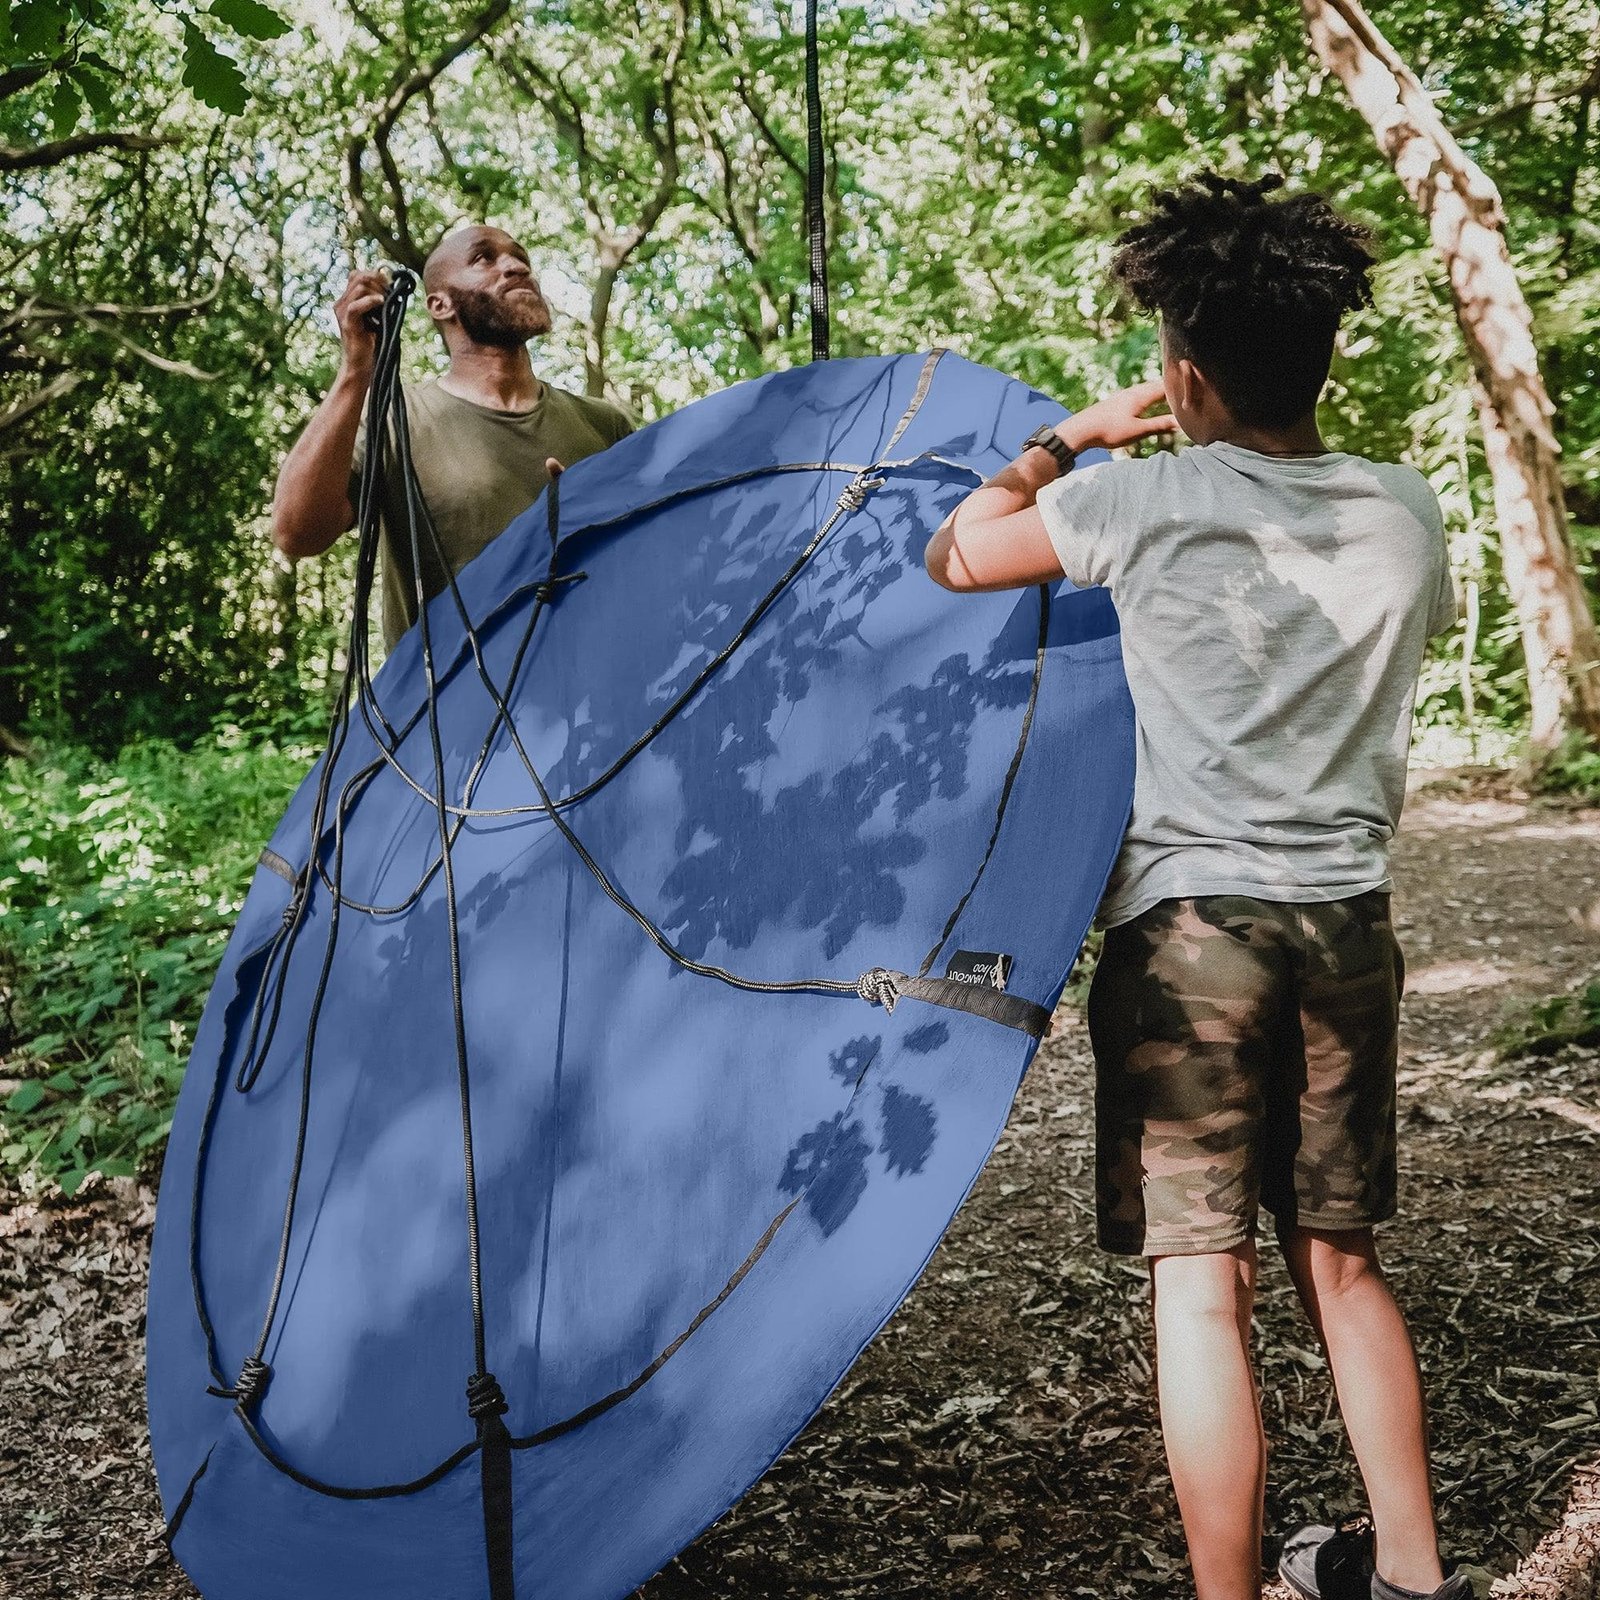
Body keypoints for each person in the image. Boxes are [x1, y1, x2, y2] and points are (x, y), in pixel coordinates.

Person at [924, 171, 1464, 1600]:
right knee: (1341, 1259)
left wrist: (1066, 440)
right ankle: (1413, 1577)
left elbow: (955, 553)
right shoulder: (1405, 511)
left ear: (1184, 378)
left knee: (1200, 1288)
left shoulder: (1141, 497)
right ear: (1322, 355)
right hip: (1347, 927)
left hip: (1190, 941)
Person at [271, 225, 633, 649]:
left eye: (520, 257)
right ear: (440, 305)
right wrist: (355, 371)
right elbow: (297, 532)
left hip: (600, 680)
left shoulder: (605, 424)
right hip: (450, 690)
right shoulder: (393, 419)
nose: (516, 266)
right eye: (484, 258)